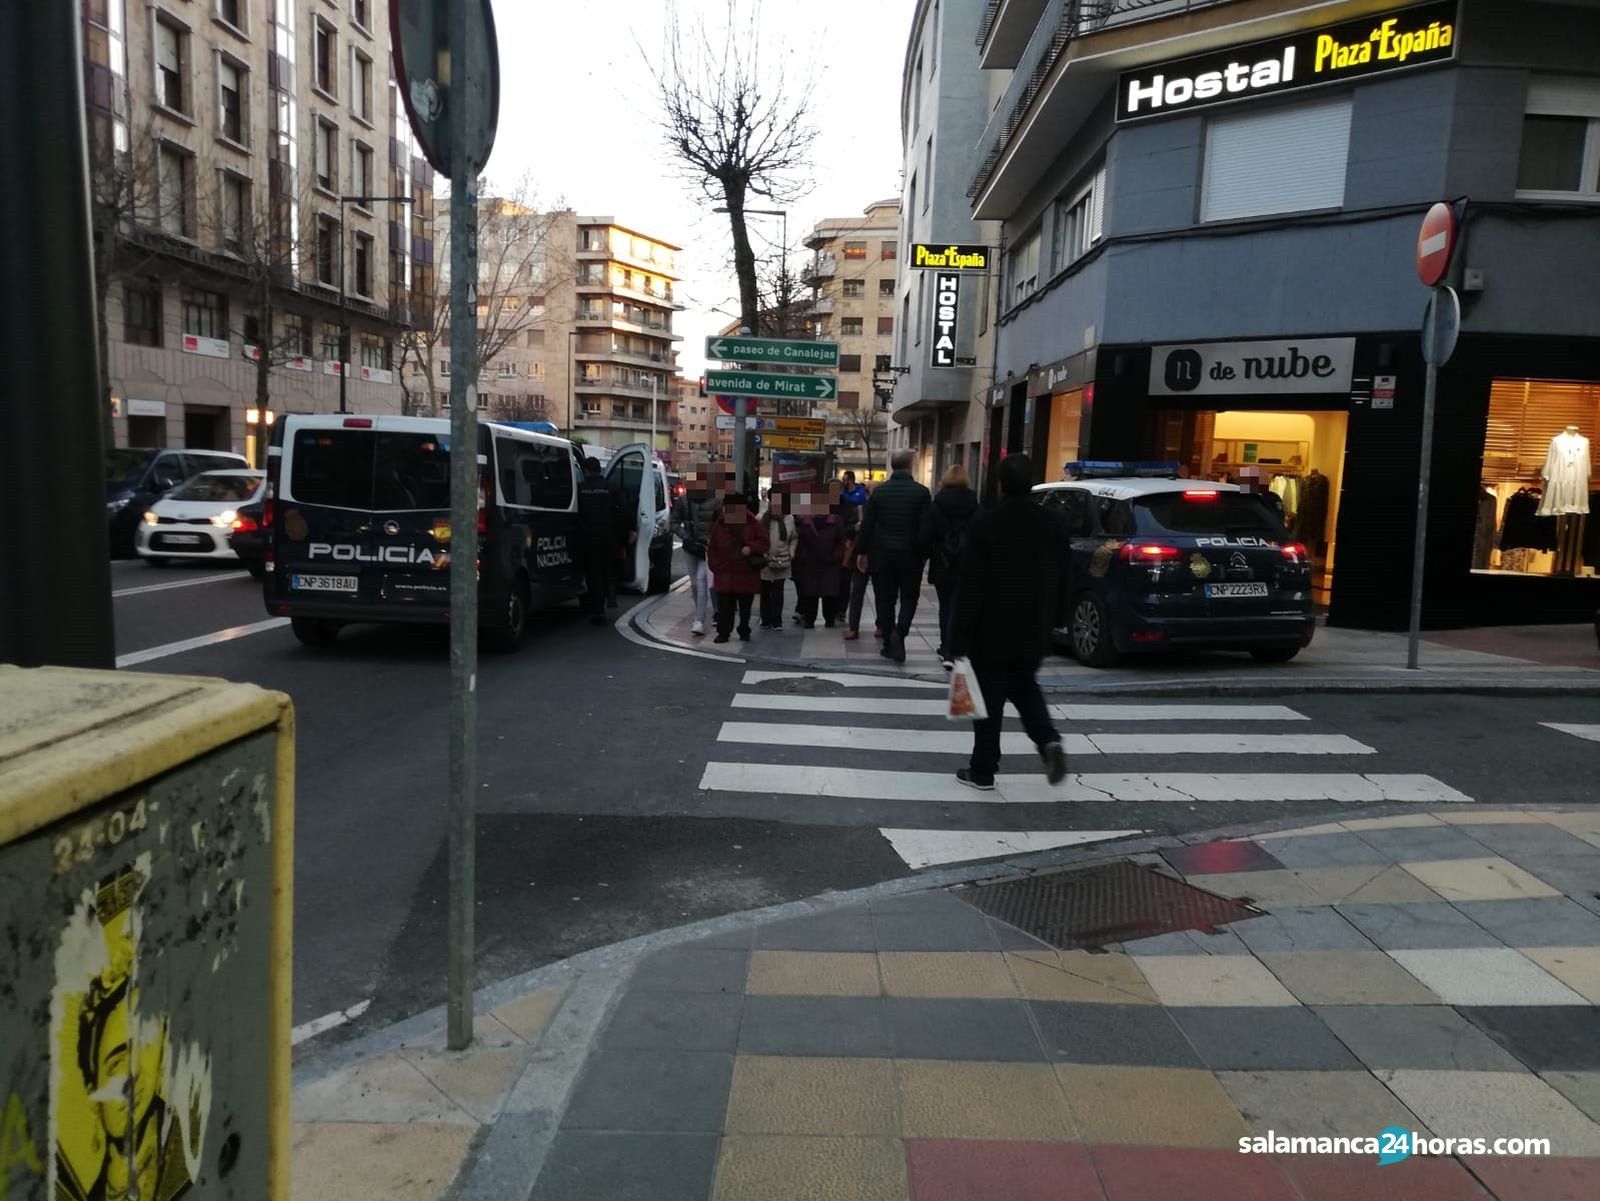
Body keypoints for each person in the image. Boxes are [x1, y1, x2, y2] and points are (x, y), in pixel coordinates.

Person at [948, 453, 1069, 791]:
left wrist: (956, 642)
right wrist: (1058, 618)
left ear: (1000, 483)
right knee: (1025, 686)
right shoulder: (1053, 522)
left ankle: (983, 769)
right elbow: (1064, 574)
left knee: (988, 701)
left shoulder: (986, 523)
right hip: (1035, 625)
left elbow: (970, 586)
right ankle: (1047, 740)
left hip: (991, 629)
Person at [855, 448, 933, 664]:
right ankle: (900, 633)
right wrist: (922, 553)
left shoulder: (880, 492)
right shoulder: (922, 493)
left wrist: (861, 552)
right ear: (910, 466)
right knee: (909, 598)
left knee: (885, 600)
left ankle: (890, 643)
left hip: (883, 556)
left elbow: (867, 526)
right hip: (910, 556)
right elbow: (926, 529)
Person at [929, 463, 980, 671]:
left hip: (943, 562)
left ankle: (946, 649)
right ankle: (959, 648)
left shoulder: (937, 502)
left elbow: (929, 532)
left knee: (945, 607)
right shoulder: (973, 503)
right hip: (966, 563)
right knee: (961, 607)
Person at [707, 494, 769, 643]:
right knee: (724, 608)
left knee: (745, 607)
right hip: (725, 573)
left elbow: (764, 543)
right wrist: (715, 566)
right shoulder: (720, 524)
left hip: (746, 572)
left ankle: (744, 630)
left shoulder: (752, 523)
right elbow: (712, 547)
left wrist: (751, 548)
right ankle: (723, 632)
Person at [672, 466, 723, 635]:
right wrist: (684, 535)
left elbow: (722, 524)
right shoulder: (683, 501)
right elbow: (673, 522)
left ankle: (699, 620)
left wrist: (713, 540)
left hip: (708, 548)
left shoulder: (716, 501)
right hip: (690, 547)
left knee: (702, 583)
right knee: (695, 583)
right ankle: (708, 612)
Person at [575, 456, 622, 625]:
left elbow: (576, 515)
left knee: (593, 573)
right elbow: (620, 513)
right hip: (609, 537)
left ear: (586, 471)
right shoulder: (611, 488)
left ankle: (597, 609)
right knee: (607, 569)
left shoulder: (580, 489)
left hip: (589, 538)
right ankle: (610, 595)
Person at [793, 493, 845, 628]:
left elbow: (841, 541)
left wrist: (835, 556)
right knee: (810, 594)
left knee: (829, 594)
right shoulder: (806, 522)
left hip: (830, 564)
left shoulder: (835, 521)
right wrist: (804, 557)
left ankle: (830, 620)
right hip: (811, 564)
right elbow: (801, 542)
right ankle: (809, 620)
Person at [758, 491, 796, 630]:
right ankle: (765, 619)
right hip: (765, 560)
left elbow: (793, 538)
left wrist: (791, 552)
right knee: (765, 590)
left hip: (783, 559)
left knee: (778, 590)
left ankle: (777, 620)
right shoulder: (762, 518)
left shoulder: (789, 518)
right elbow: (757, 537)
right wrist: (762, 553)